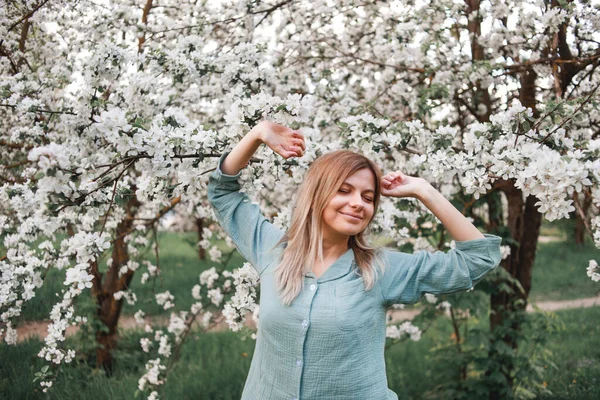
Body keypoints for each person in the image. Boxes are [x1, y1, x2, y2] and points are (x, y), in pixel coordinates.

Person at [207, 120, 502, 400]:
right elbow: (223, 192)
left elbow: (475, 260)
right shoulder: (271, 250)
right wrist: (258, 133)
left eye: (368, 197)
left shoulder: (380, 270)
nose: (358, 203)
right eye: (344, 190)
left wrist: (424, 190)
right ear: (317, 194)